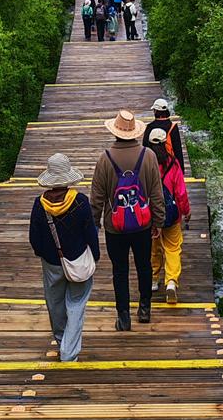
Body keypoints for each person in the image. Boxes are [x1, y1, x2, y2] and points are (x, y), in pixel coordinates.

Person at [90, 110, 165, 330]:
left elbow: (96, 198)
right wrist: (158, 222)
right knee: (144, 266)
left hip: (115, 227)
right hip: (142, 225)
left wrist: (94, 224)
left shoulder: (105, 159)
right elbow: (156, 193)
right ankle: (144, 308)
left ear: (115, 132)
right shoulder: (148, 156)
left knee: (119, 270)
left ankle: (123, 316)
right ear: (135, 132)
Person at [28, 153, 100, 362]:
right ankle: (70, 352)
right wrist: (94, 256)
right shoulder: (80, 202)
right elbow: (91, 235)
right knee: (76, 304)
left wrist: (44, 254)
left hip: (51, 262)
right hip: (78, 260)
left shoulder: (39, 204)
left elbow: (34, 238)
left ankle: (62, 341)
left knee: (55, 304)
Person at [148, 126, 190, 303]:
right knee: (172, 248)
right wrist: (186, 211)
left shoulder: (144, 164)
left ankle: (153, 279)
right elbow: (180, 192)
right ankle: (171, 281)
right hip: (171, 215)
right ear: (166, 143)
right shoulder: (173, 164)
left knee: (153, 248)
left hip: (150, 215)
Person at [143, 97, 184, 165]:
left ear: (155, 111)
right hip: (169, 163)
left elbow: (145, 147)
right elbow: (178, 150)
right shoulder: (173, 127)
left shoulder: (150, 127)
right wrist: (181, 169)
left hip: (153, 163)